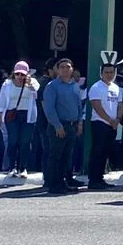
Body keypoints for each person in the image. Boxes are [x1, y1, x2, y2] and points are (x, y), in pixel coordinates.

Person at [41, 58, 83, 195]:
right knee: (55, 156)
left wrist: (79, 122)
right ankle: (53, 184)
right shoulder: (52, 86)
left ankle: (63, 182)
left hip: (71, 125)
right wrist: (57, 126)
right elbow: (49, 109)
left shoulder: (74, 85)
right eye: (62, 67)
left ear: (72, 69)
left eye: (68, 67)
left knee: (66, 156)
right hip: (58, 126)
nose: (65, 69)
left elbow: (78, 105)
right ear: (57, 70)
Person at [86, 60, 123, 191]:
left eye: (111, 72)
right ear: (101, 73)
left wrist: (117, 119)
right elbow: (97, 106)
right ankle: (93, 180)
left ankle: (100, 178)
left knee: (105, 153)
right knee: (97, 152)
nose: (109, 74)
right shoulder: (96, 87)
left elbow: (120, 105)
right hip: (100, 123)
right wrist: (109, 120)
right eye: (106, 72)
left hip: (113, 125)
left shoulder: (116, 88)